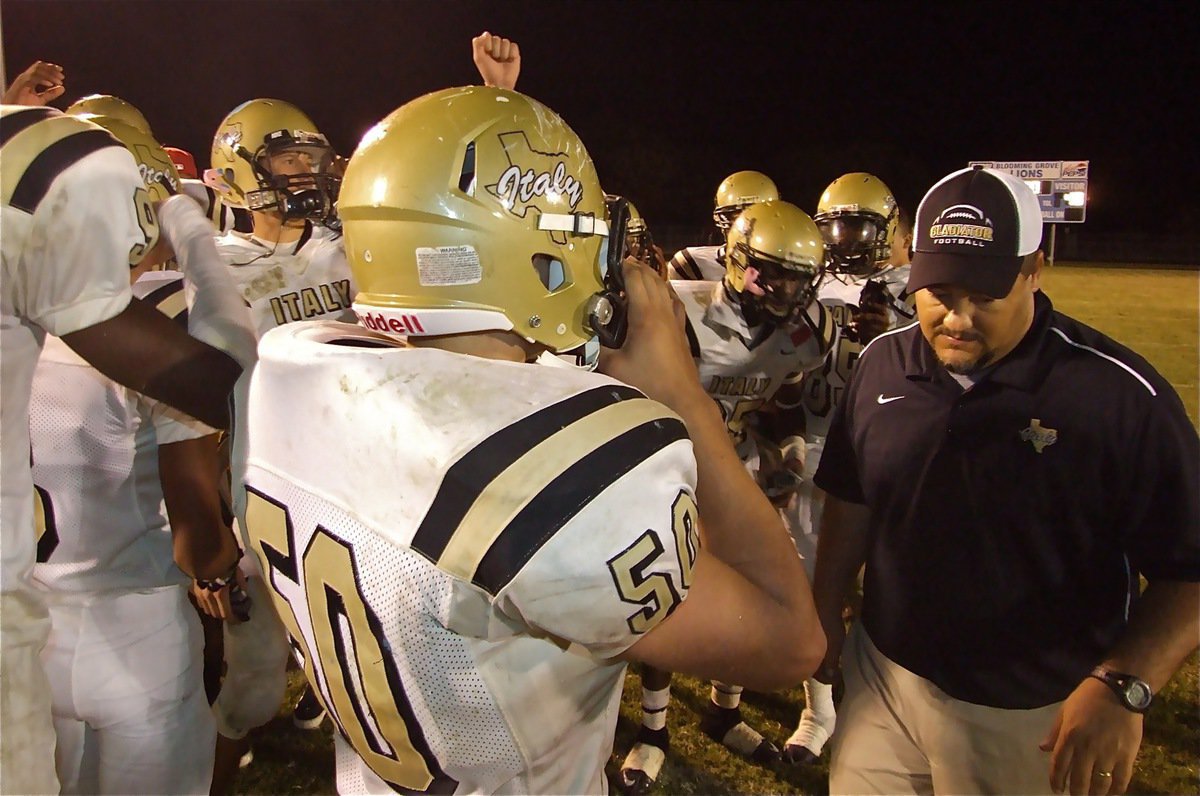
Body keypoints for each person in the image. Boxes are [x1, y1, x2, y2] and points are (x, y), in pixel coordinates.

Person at [239, 85, 823, 795]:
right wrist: (682, 398)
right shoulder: (565, 462)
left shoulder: (287, 367)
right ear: (542, 249)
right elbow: (794, 641)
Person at [811, 165, 1199, 795]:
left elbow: (1192, 568)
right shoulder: (883, 362)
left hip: (1030, 711)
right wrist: (825, 603)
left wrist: (1125, 683)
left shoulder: (1116, 398)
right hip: (882, 676)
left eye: (985, 294)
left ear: (1034, 271)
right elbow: (853, 494)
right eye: (938, 290)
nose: (957, 318)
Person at [1, 97, 254, 794]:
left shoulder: (21, 320)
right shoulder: (146, 328)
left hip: (29, 626)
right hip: (137, 631)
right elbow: (196, 522)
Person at [620, 199, 835, 792]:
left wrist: (785, 453)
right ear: (739, 265)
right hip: (668, 467)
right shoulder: (681, 312)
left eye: (799, 278)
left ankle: (725, 711)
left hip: (733, 469)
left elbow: (784, 404)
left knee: (745, 593)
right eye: (777, 274)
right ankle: (654, 729)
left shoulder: (803, 332)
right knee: (672, 594)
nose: (789, 291)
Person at [784, 172, 914, 765]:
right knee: (819, 581)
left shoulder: (914, 286)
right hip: (818, 445)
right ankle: (820, 711)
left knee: (894, 582)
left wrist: (893, 329)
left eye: (858, 224)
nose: (844, 237)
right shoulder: (809, 281)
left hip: (896, 451)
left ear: (885, 227)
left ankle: (891, 700)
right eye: (834, 224)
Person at [667, 170, 780, 281]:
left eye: (759, 218)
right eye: (738, 218)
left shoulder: (792, 268)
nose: (750, 230)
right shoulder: (692, 264)